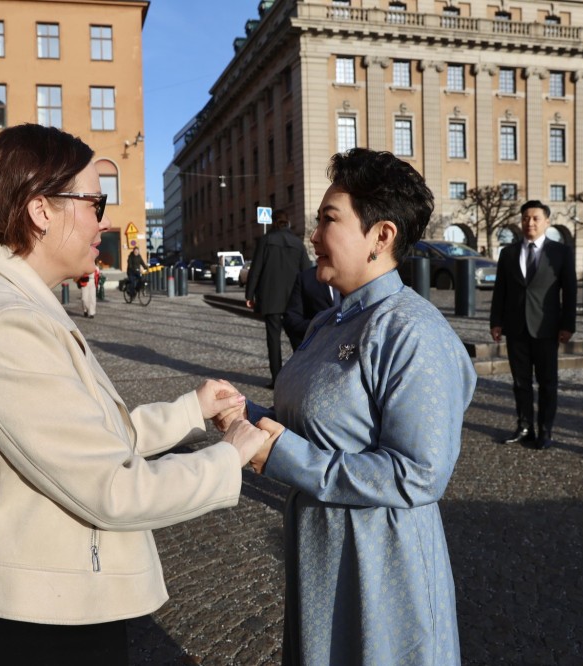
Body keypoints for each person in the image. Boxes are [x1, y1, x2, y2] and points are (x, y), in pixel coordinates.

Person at [0, 124, 269, 665]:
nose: (103, 221)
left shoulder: (21, 302)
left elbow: (90, 435)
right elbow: (112, 488)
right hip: (31, 622)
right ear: (40, 210)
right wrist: (231, 454)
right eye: (93, 202)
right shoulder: (7, 324)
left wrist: (191, 410)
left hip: (48, 601)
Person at [225, 149, 476, 665]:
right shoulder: (327, 323)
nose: (313, 236)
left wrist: (281, 456)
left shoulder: (412, 331)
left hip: (380, 566)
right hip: (319, 554)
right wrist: (240, 412)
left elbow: (418, 475)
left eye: (328, 220)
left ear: (381, 236)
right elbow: (308, 427)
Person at [489, 200, 577, 450]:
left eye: (536, 218)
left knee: (548, 383)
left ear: (547, 222)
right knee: (520, 382)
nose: (530, 223)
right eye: (526, 218)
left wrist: (567, 324)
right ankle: (524, 426)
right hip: (516, 328)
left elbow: (569, 292)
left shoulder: (560, 252)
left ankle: (545, 430)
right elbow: (501, 290)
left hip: (547, 328)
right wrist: (496, 322)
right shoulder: (508, 252)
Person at [245, 210, 312, 388]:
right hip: (294, 300)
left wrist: (249, 294)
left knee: (273, 341)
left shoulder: (266, 241)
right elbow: (306, 271)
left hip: (270, 298)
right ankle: (303, 375)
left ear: (273, 222)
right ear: (288, 222)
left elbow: (256, 269)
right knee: (297, 339)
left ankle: (277, 379)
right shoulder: (298, 243)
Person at [282, 265, 338, 350]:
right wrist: (317, 328)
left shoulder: (357, 278)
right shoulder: (306, 278)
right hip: (317, 349)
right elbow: (292, 319)